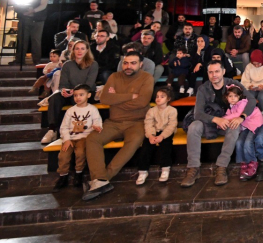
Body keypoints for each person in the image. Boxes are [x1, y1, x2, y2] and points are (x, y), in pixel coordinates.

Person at [83, 51, 154, 200]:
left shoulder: (147, 78)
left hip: (137, 121)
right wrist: (130, 96)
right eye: (125, 63)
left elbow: (142, 102)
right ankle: (100, 179)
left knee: (133, 142)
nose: (128, 66)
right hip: (113, 122)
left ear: (141, 64)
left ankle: (102, 179)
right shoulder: (114, 77)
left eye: (133, 63)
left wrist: (116, 99)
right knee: (92, 139)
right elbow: (104, 98)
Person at [181, 61, 256, 188]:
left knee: (234, 127)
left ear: (223, 72)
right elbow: (198, 114)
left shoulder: (233, 84)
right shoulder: (203, 89)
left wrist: (241, 117)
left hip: (227, 123)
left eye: (217, 71)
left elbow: (252, 100)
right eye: (211, 72)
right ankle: (193, 168)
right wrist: (216, 119)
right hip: (209, 123)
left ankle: (222, 167)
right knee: (194, 126)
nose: (214, 75)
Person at [42, 40, 99, 144]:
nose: (79, 51)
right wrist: (64, 90)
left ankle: (76, 131)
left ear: (87, 50)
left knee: (78, 99)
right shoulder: (67, 64)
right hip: (70, 92)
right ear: (73, 50)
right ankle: (52, 130)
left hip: (85, 93)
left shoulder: (93, 64)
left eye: (82, 49)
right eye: (77, 48)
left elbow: (89, 84)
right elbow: (63, 84)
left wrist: (75, 92)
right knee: (55, 98)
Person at [52, 84, 102, 192]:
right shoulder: (70, 111)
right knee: (63, 155)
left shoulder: (92, 109)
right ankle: (63, 176)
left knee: (80, 153)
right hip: (70, 138)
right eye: (75, 95)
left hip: (84, 137)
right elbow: (64, 127)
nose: (78, 97)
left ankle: (79, 174)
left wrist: (97, 127)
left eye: (81, 95)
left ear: (88, 95)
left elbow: (97, 122)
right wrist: (66, 139)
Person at [136, 86, 178, 185]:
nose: (158, 98)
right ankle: (143, 171)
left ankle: (165, 168)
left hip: (166, 132)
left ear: (168, 99)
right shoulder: (151, 111)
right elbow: (148, 124)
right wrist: (151, 135)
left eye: (162, 97)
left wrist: (162, 136)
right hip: (154, 131)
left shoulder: (172, 110)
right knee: (146, 146)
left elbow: (171, 125)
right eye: (157, 96)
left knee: (166, 145)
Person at [222, 84, 263, 181]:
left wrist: (222, 120)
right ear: (226, 97)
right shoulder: (231, 107)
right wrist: (221, 122)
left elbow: (237, 115)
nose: (233, 98)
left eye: (235, 96)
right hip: (246, 125)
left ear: (239, 97)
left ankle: (252, 162)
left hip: (254, 123)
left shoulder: (243, 103)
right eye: (230, 96)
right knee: (239, 142)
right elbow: (229, 116)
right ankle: (244, 163)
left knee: (248, 142)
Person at [12, 0, 49, 66]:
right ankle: (19, 60)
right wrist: (21, 10)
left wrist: (33, 11)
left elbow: (43, 5)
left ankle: (36, 60)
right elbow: (17, 3)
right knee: (22, 40)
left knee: (36, 41)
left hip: (37, 20)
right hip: (25, 18)